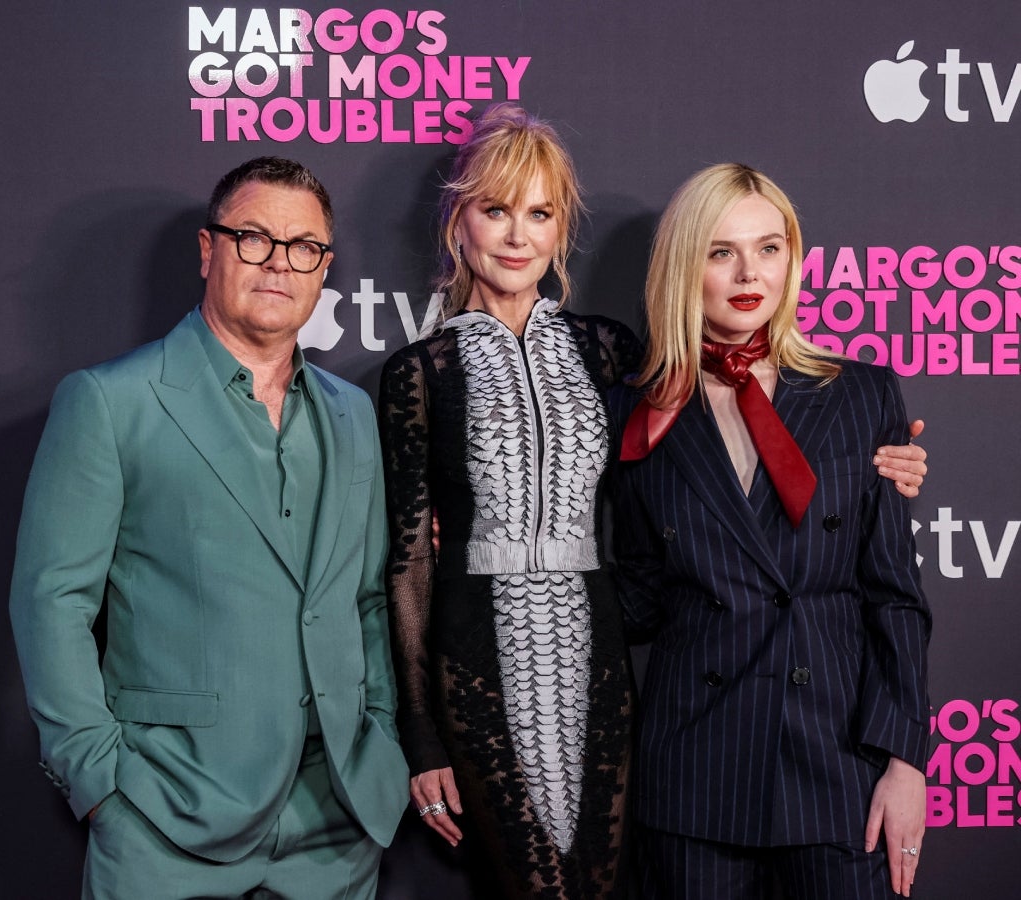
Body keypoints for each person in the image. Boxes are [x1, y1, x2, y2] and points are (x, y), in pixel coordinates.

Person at [378, 106, 927, 899]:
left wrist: (888, 467)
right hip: (599, 720)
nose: (748, 274)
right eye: (496, 210)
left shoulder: (634, 363)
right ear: (457, 222)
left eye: (540, 213)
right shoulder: (602, 391)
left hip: (765, 736)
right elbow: (424, 563)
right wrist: (427, 720)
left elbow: (889, 592)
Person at [9, 156, 408, 899]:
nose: (279, 263)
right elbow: (52, 603)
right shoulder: (110, 402)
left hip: (336, 827)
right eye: (254, 238)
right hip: (165, 817)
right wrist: (98, 781)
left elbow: (366, 599)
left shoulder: (353, 412)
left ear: (324, 268)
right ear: (207, 249)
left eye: (303, 247)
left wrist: (378, 732)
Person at [611, 163, 931, 900]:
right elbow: (637, 601)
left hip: (837, 765)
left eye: (769, 248)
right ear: (683, 265)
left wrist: (905, 760)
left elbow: (895, 597)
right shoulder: (637, 414)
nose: (749, 273)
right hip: (695, 772)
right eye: (720, 252)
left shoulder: (860, 395)